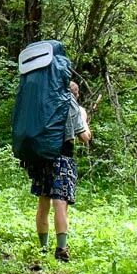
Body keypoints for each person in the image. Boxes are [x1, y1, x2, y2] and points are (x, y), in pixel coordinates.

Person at [30, 81, 91, 261]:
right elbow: (84, 137)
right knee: (60, 202)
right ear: (76, 93)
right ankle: (61, 249)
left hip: (42, 158)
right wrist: (85, 121)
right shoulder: (73, 105)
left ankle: (42, 248)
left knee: (43, 202)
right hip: (63, 158)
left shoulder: (47, 102)